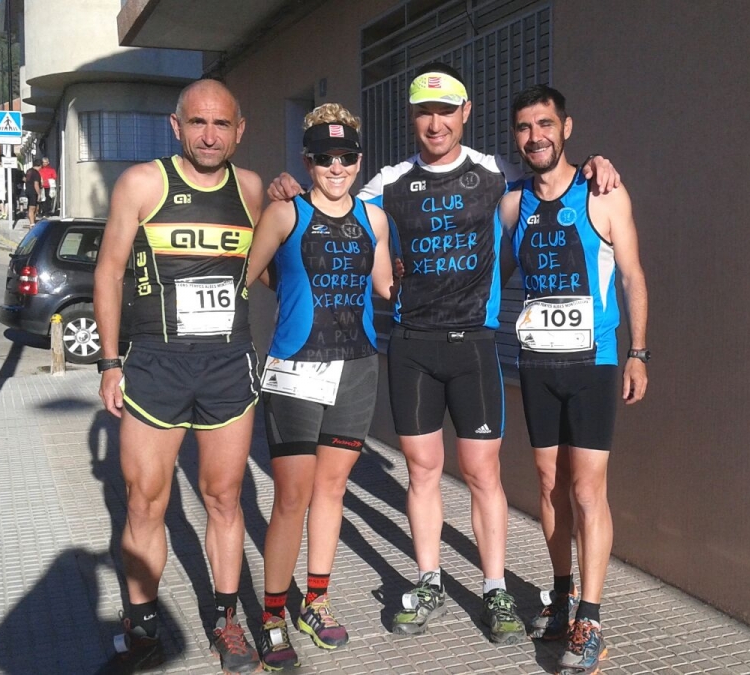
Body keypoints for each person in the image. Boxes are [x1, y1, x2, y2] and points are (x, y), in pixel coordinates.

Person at [268, 63, 621, 644]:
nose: (435, 123)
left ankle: (494, 588)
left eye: (446, 111)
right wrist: (287, 187)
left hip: (474, 344)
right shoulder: (388, 182)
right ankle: (429, 579)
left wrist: (594, 163)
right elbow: (330, 199)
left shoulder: (496, 171)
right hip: (412, 345)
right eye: (424, 112)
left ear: (465, 113)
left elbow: (550, 169)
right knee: (423, 470)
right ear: (413, 117)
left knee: (483, 473)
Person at [93, 78, 264, 675]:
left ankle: (226, 620)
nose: (209, 136)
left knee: (224, 498)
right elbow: (109, 271)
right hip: (154, 363)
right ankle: (142, 627)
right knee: (145, 502)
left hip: (227, 364)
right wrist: (109, 363)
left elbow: (271, 263)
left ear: (239, 131)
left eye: (221, 124)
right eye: (198, 123)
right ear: (176, 126)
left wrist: (294, 203)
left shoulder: (251, 188)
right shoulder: (142, 183)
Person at [496, 85, 648, 675]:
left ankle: (591, 616)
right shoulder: (514, 205)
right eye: (524, 127)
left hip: (594, 363)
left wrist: (639, 353)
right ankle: (561, 596)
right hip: (538, 364)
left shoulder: (603, 193)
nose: (535, 136)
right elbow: (493, 274)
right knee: (548, 485)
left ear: (566, 128)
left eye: (545, 124)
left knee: (587, 491)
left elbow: (631, 274)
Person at [245, 103, 394, 670]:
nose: (337, 167)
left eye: (347, 157)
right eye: (325, 157)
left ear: (359, 160)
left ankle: (316, 602)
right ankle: (272, 617)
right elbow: (247, 275)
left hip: (357, 368)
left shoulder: (375, 219)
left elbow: (385, 286)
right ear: (307, 161)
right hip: (296, 368)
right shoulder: (285, 212)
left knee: (332, 491)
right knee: (292, 498)